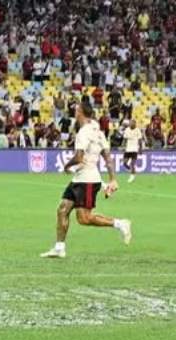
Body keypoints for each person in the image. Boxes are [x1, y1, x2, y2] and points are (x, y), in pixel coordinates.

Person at [40, 101, 132, 258]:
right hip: (80, 179)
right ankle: (59, 248)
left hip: (87, 180)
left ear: (80, 112)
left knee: (84, 218)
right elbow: (108, 158)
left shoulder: (83, 132)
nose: (75, 112)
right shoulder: (98, 131)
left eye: (76, 110)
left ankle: (120, 223)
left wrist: (66, 166)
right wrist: (112, 179)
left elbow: (78, 157)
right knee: (63, 209)